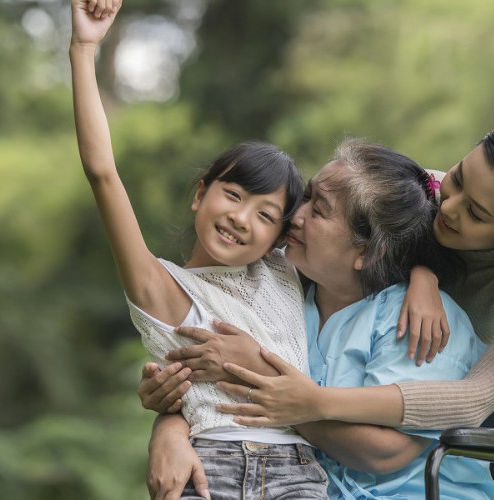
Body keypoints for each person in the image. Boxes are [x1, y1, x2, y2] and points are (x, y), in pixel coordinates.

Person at [146, 139, 494, 499]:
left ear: (368, 250)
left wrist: (275, 390)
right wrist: (170, 426)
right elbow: (206, 381)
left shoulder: (421, 322)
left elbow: (385, 452)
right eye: (306, 196)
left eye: (318, 211)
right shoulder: (282, 292)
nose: (295, 216)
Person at [70, 1, 328, 499]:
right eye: (232, 195)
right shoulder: (162, 289)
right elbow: (101, 172)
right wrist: (84, 48)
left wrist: (424, 277)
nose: (239, 217)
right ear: (199, 195)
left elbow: (411, 197)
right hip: (211, 470)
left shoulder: (289, 273)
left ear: (281, 236)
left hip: (299, 473)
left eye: (264, 214)